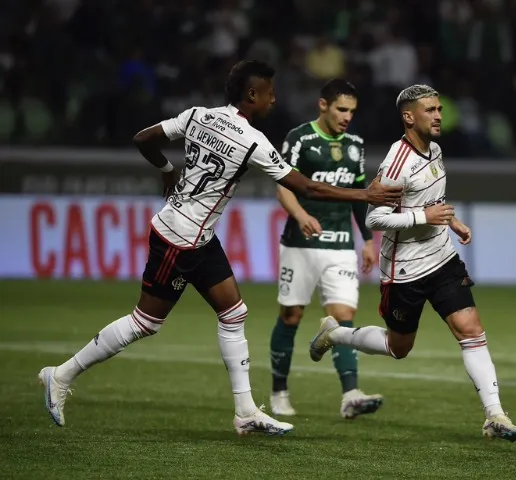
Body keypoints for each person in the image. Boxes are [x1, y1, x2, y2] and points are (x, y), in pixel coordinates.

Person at [37, 60, 402, 435]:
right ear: (252, 95)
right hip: (179, 241)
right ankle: (61, 375)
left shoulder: (198, 115)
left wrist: (166, 169)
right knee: (144, 323)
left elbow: (143, 138)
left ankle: (245, 412)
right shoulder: (252, 141)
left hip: (198, 237)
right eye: (270, 94)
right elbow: (306, 187)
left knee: (234, 313)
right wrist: (365, 193)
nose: (274, 100)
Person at [307, 84, 516, 442]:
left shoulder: (435, 149)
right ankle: (336, 333)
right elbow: (374, 219)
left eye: (439, 109)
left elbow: (431, 197)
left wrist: (449, 219)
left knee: (471, 330)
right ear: (409, 117)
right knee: (398, 348)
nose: (438, 115)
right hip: (405, 270)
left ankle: (495, 415)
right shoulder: (396, 162)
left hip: (442, 258)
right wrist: (423, 216)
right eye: (430, 110)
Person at [270, 79, 383, 419]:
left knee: (343, 319)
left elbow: (360, 196)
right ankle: (278, 391)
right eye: (341, 109)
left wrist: (365, 239)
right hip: (300, 243)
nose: (347, 117)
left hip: (340, 245)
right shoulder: (299, 138)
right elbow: (283, 185)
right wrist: (300, 214)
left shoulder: (355, 145)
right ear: (323, 105)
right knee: (291, 316)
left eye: (351, 111)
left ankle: (350, 394)